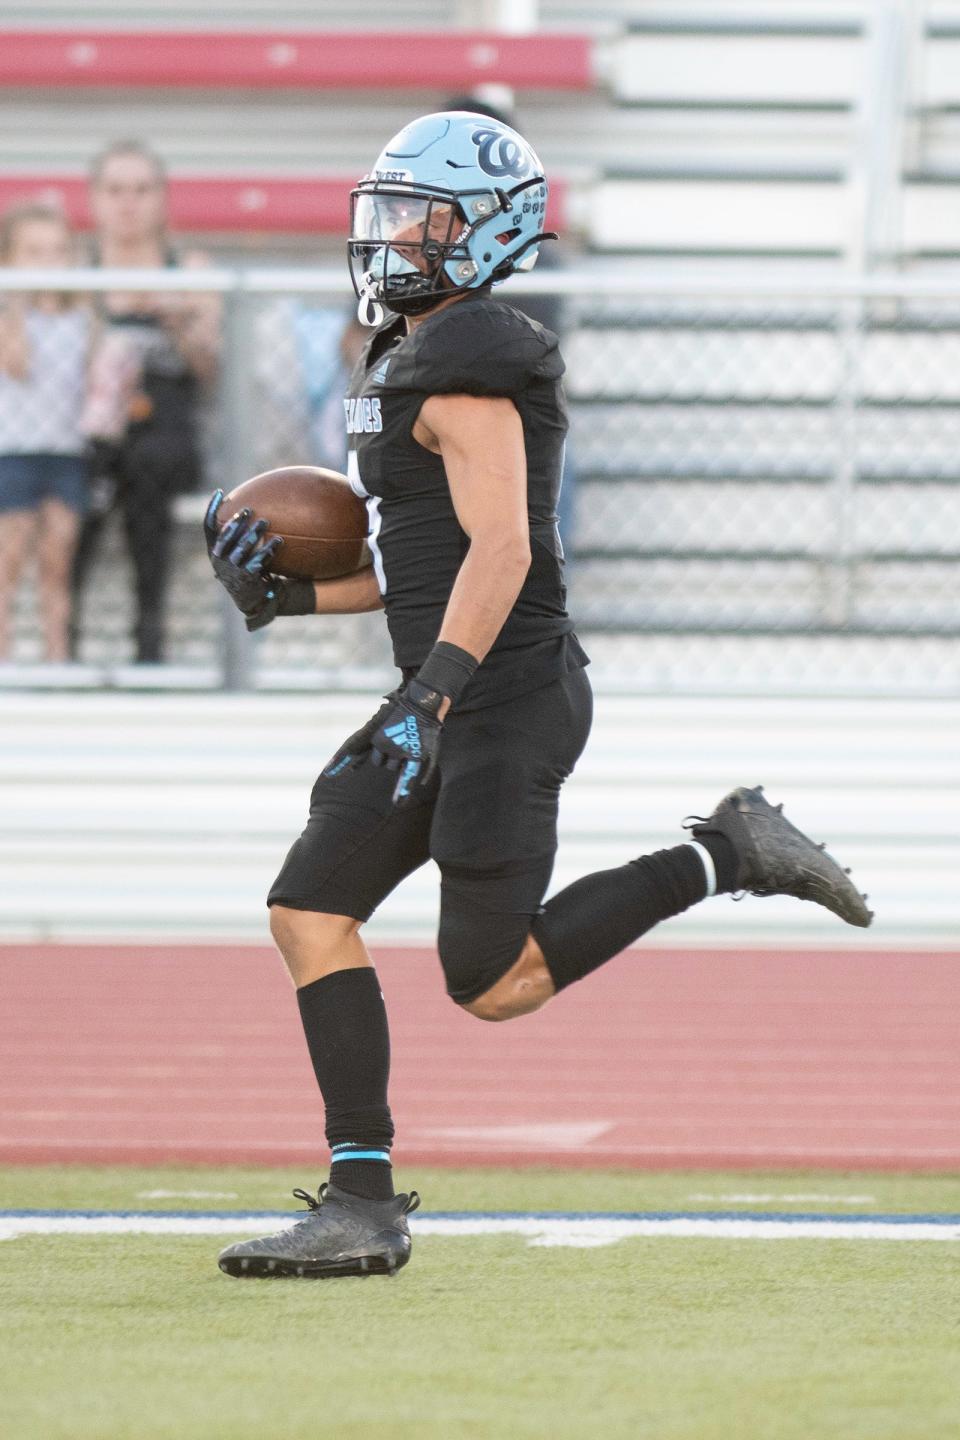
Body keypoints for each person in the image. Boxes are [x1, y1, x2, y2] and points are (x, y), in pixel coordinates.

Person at [204, 111, 873, 1281]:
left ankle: (727, 851)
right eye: (394, 210)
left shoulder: (475, 360)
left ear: (485, 232)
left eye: (424, 215)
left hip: (503, 698)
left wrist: (431, 702)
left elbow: (505, 550)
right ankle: (361, 1201)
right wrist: (286, 604)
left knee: (496, 982)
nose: (396, 234)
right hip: (448, 685)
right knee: (309, 909)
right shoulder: (410, 353)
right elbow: (412, 560)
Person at [70, 139, 220, 663]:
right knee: (77, 480)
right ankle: (60, 642)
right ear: (94, 199)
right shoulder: (71, 272)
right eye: (115, 190)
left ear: (161, 198)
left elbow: (213, 374)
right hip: (88, 433)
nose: (127, 203)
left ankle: (148, 637)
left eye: (140, 190)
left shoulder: (189, 269)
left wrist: (181, 321)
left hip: (165, 433)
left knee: (146, 468)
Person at [0, 202, 93, 661]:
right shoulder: (8, 319)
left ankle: (57, 656)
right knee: (8, 563)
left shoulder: (82, 318)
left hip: (65, 452)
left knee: (56, 566)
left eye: (57, 251)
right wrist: (15, 302)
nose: (47, 263)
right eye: (32, 252)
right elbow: (17, 365)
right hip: (14, 452)